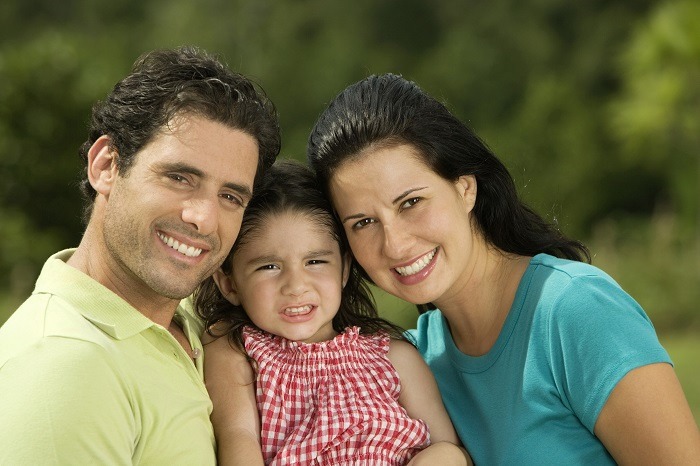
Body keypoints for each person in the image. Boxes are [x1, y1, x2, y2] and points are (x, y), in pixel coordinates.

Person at [306, 73, 700, 465]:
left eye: (410, 203)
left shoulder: (575, 311)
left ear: (465, 188)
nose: (394, 244)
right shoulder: (410, 367)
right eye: (363, 223)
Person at [0, 46, 280, 464]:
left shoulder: (199, 318)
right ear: (106, 165)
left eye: (230, 196)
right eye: (180, 177)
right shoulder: (62, 364)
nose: (203, 218)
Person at [195, 160, 471, 465]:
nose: (296, 286)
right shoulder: (237, 350)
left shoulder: (394, 356)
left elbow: (450, 449)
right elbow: (238, 437)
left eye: (315, 262)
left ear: (344, 269)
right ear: (229, 283)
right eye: (269, 266)